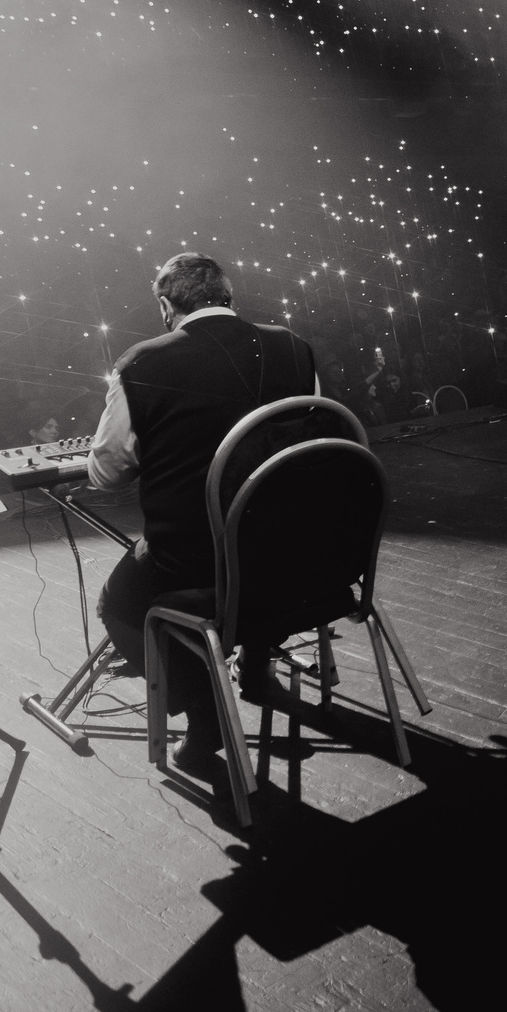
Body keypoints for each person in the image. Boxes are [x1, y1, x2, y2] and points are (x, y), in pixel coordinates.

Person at [87, 252, 321, 783]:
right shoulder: (293, 346)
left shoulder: (141, 363)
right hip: (299, 551)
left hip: (198, 559)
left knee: (119, 605)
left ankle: (204, 716)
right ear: (229, 299)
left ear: (167, 306)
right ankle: (256, 668)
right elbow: (314, 435)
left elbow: (107, 474)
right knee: (263, 539)